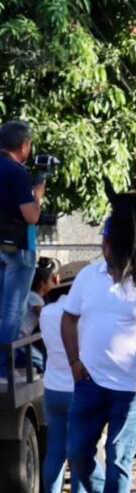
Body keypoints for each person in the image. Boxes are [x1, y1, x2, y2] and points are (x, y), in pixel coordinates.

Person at [62, 227, 136, 493]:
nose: (108, 246)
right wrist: (74, 360)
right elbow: (69, 318)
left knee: (119, 458)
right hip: (89, 383)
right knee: (77, 451)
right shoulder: (88, 276)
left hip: (130, 390)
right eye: (106, 239)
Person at [40, 261, 104, 493]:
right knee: (81, 450)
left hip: (52, 388)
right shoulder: (85, 313)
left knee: (54, 450)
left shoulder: (46, 312)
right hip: (80, 388)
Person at [0, 121, 44, 371]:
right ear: (24, 145)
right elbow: (32, 216)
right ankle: (3, 366)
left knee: (4, 308)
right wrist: (37, 194)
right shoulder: (16, 171)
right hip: (18, 249)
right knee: (13, 311)